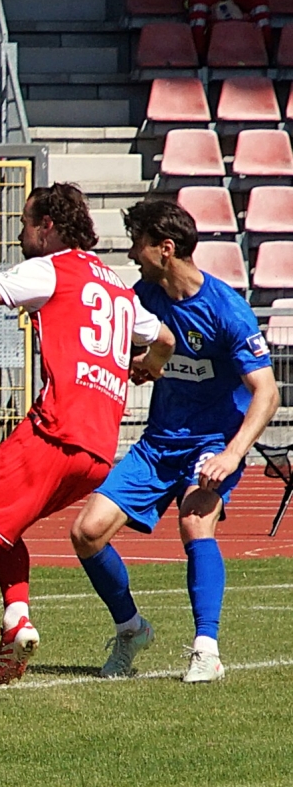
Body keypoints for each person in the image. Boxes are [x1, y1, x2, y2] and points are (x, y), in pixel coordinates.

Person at [0, 187, 171, 706]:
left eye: (25, 226)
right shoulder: (115, 285)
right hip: (97, 449)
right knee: (0, 530)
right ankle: (16, 617)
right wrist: (146, 369)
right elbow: (166, 340)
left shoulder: (51, 269)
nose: (22, 237)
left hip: (55, 429)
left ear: (47, 225)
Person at [69, 200, 279, 686]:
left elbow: (265, 392)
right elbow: (137, 359)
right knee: (86, 532)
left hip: (212, 441)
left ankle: (207, 648)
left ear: (166, 249)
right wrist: (139, 368)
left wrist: (231, 454)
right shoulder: (141, 297)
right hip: (159, 441)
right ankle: (131, 629)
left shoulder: (227, 309)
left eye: (137, 244)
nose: (132, 254)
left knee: (193, 521)